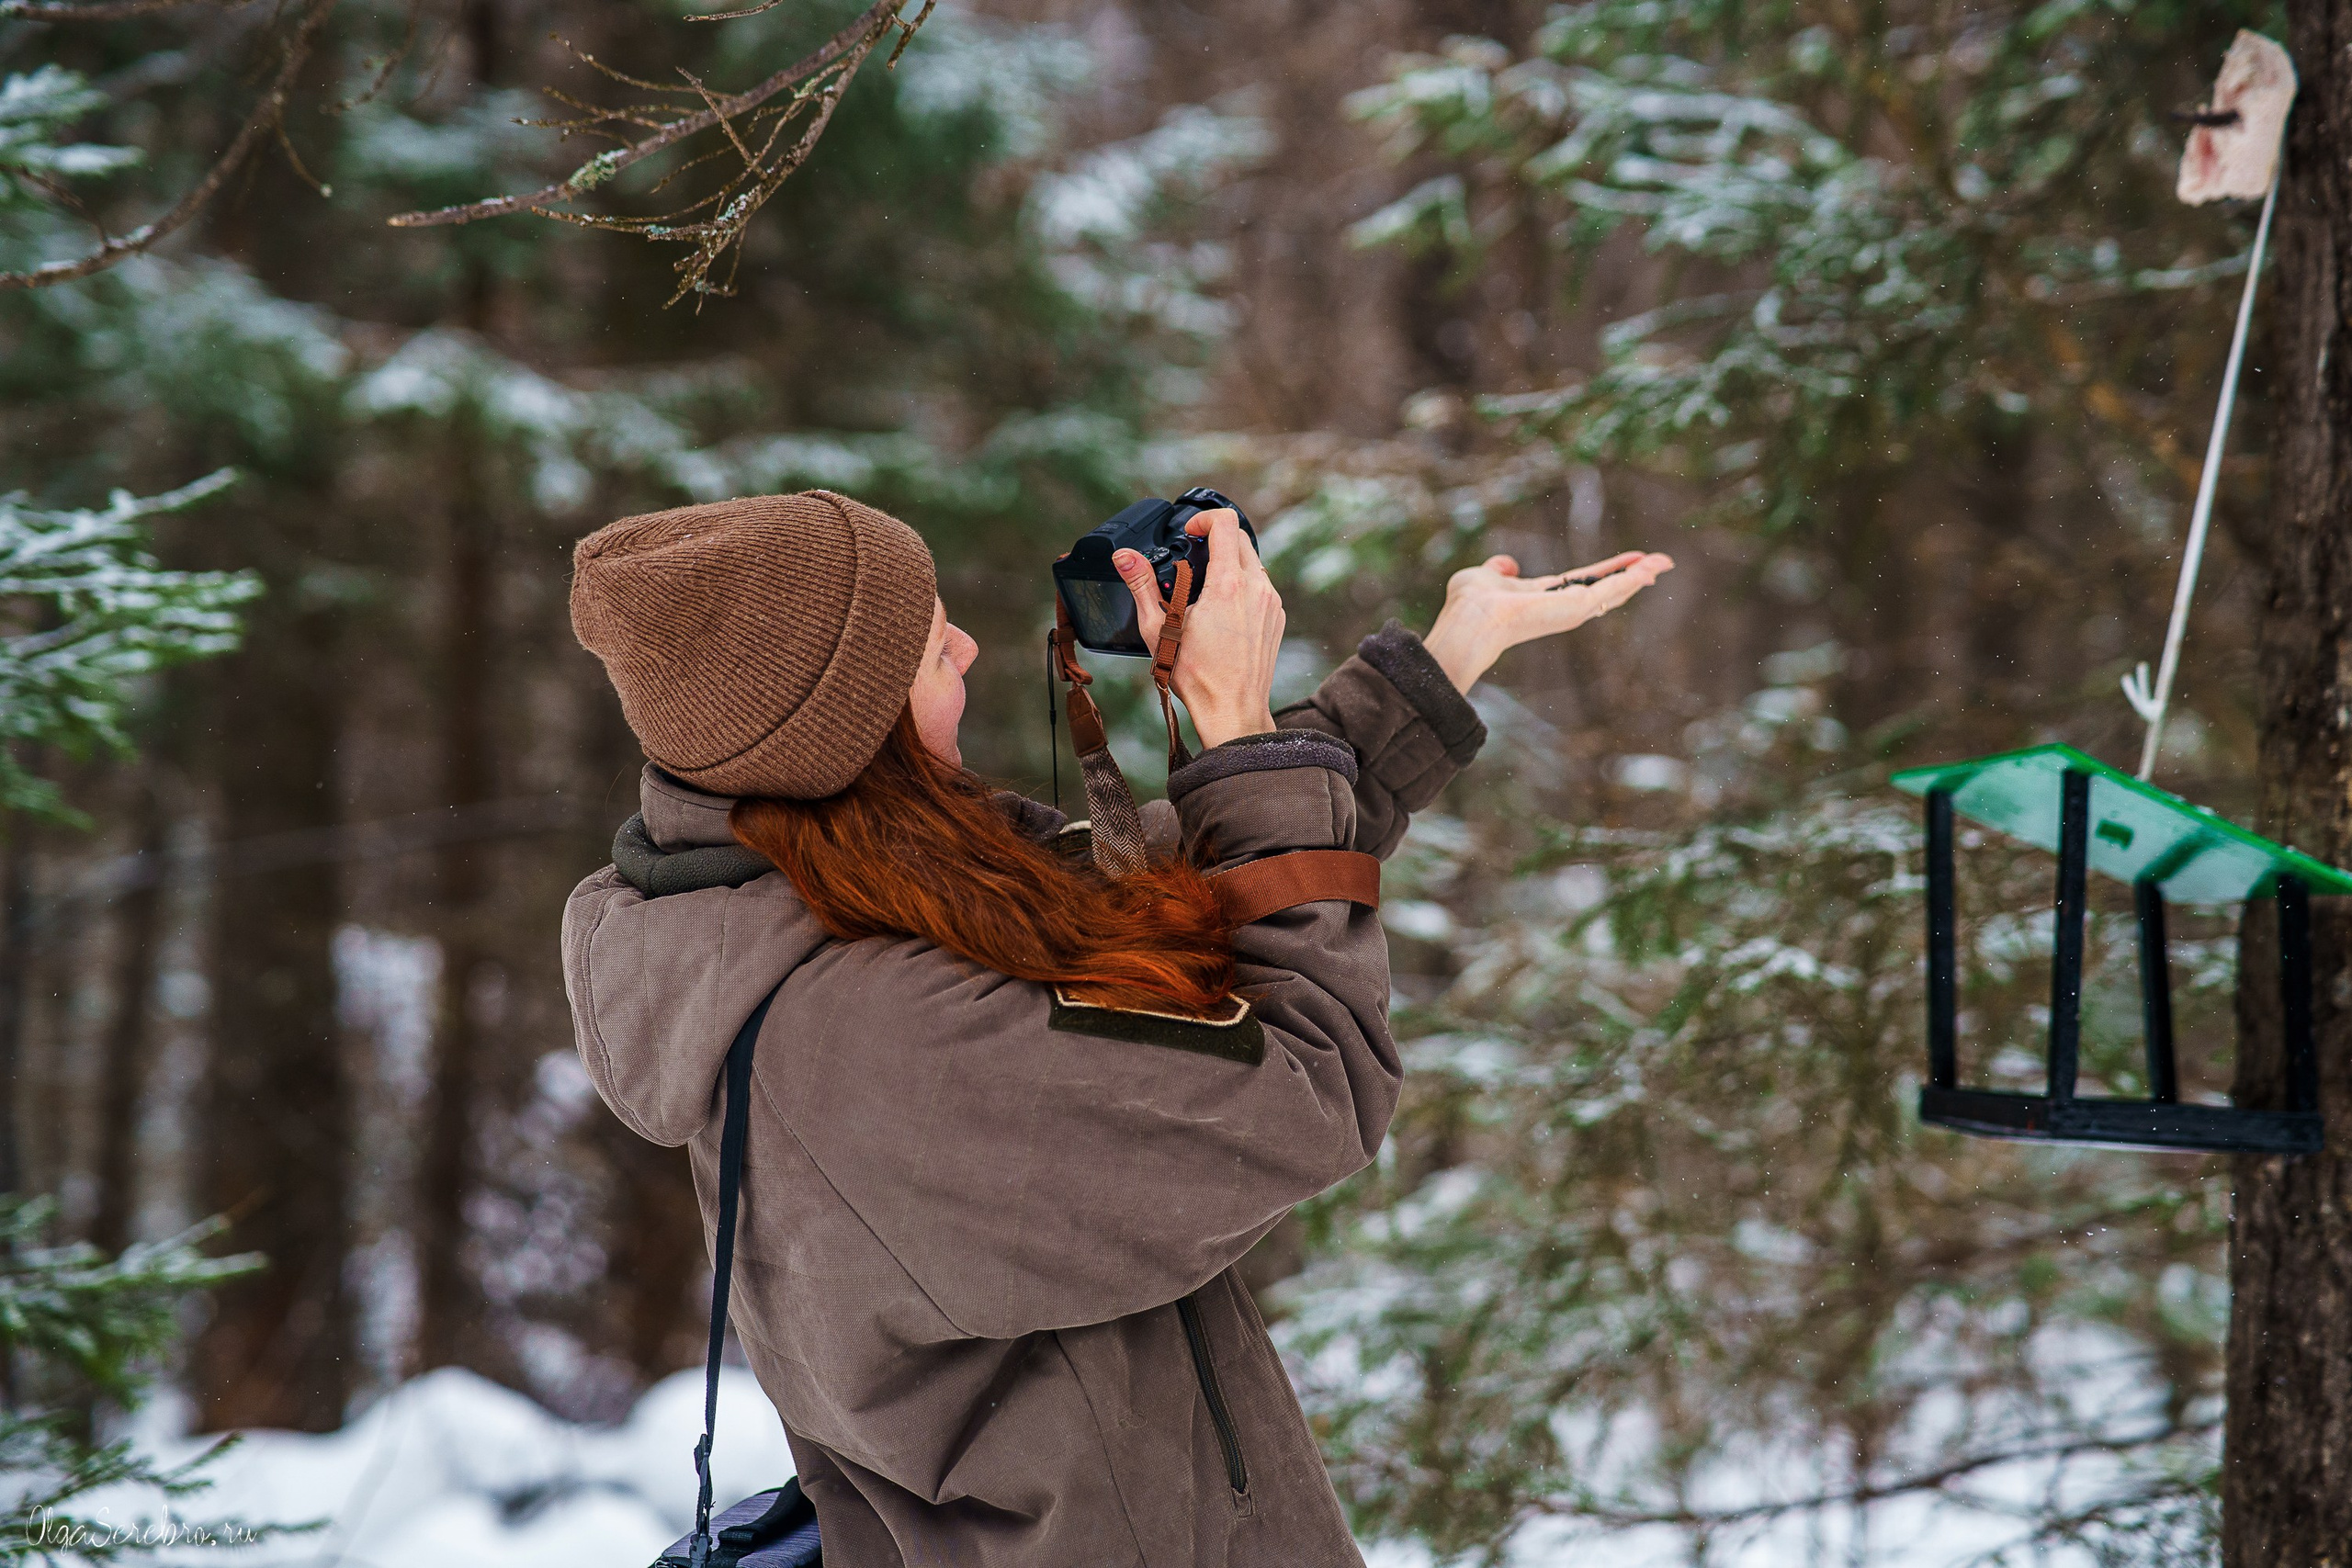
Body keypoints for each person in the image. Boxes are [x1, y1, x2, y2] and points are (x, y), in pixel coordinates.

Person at [561, 490, 1671, 1568]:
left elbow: (1165, 903)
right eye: (919, 640)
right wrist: (1235, 730)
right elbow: (1301, 1088)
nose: (964, 647)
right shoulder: (872, 1037)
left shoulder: (811, 909)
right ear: (838, 727)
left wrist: (1434, 667)